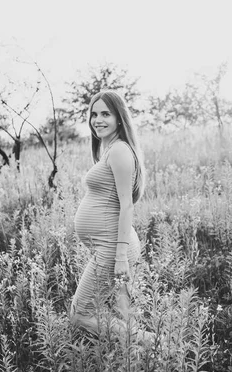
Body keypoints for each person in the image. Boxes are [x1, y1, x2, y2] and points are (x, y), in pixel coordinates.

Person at [70, 90, 153, 344]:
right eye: (94, 114)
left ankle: (152, 344)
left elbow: (127, 205)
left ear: (119, 118)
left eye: (106, 113)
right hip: (107, 246)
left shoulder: (119, 150)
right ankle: (136, 355)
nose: (98, 119)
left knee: (80, 314)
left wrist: (120, 257)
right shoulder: (109, 149)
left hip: (113, 248)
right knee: (119, 310)